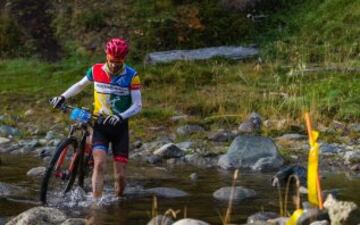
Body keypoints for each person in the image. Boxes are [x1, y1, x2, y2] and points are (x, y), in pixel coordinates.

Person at [50, 38, 142, 200]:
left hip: (120, 128)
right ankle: (95, 205)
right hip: (100, 125)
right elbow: (79, 85)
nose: (114, 65)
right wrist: (62, 97)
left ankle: (119, 202)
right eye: (112, 61)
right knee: (99, 165)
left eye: (118, 62)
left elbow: (137, 105)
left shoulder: (132, 76)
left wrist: (120, 116)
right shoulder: (96, 70)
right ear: (107, 55)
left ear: (124, 59)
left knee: (119, 176)